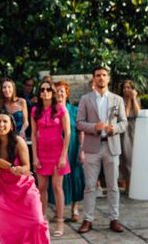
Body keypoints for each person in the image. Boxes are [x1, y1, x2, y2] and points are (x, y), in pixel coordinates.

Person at [0, 112, 49, 244]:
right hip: (5, 190)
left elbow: (27, 166)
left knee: (37, 222)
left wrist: (20, 170)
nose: (1, 124)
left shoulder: (18, 142)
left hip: (25, 189)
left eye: (5, 122)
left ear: (11, 126)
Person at [76, 67, 127, 234]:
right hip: (92, 147)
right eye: (98, 75)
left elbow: (124, 123)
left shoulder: (117, 99)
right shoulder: (85, 99)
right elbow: (79, 123)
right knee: (90, 186)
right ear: (94, 79)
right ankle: (88, 220)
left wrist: (115, 128)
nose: (101, 78)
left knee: (113, 186)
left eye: (104, 75)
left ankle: (114, 219)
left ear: (108, 78)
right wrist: (94, 127)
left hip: (111, 146)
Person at [31, 82, 70, 237]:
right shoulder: (35, 110)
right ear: (39, 93)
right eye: (42, 90)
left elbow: (67, 133)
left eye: (48, 89)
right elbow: (33, 134)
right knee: (41, 187)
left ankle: (60, 220)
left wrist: (63, 156)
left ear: (52, 92)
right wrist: (34, 156)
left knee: (57, 187)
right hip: (41, 153)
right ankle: (42, 219)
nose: (45, 92)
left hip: (57, 153)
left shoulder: (60, 109)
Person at [49, 81, 84, 222]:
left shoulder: (74, 110)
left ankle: (75, 208)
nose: (59, 93)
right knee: (58, 181)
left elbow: (80, 131)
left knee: (75, 176)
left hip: (73, 147)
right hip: (56, 148)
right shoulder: (51, 110)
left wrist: (82, 149)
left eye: (62, 91)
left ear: (67, 93)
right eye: (56, 91)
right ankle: (59, 211)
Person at [119, 79, 141, 192]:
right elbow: (125, 115)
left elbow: (138, 114)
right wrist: (128, 100)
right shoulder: (120, 101)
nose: (126, 90)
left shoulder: (136, 100)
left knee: (135, 157)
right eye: (124, 88)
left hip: (135, 128)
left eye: (129, 87)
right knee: (126, 157)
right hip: (125, 130)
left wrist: (133, 99)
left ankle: (135, 184)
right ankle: (128, 184)